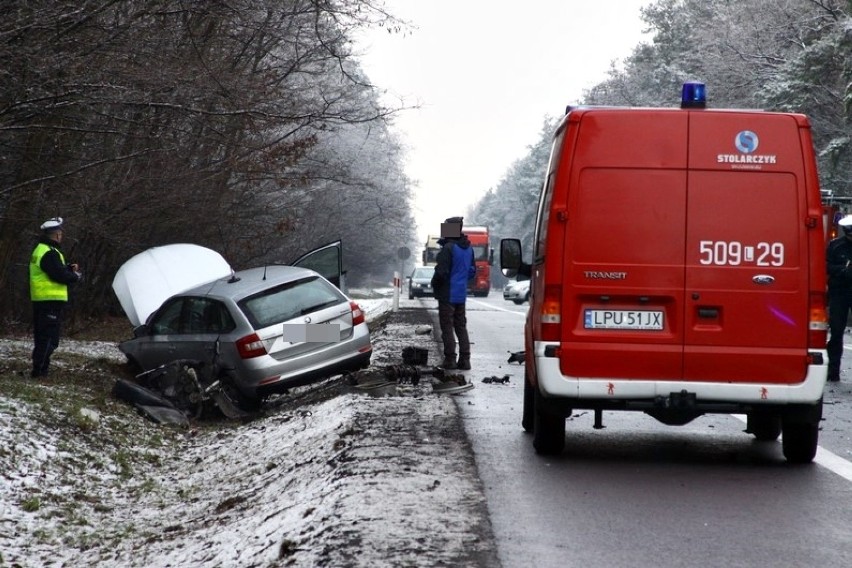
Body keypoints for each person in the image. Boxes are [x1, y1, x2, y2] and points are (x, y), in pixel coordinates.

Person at [29, 217, 82, 378]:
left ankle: (40, 369)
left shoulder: (43, 250)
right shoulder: (49, 252)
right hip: (49, 301)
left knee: (43, 337)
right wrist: (75, 276)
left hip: (42, 300)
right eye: (61, 234)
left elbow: (52, 270)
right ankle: (39, 372)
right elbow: (58, 275)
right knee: (49, 339)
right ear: (57, 235)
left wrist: (67, 268)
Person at [431, 216, 476, 370]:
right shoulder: (469, 249)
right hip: (460, 294)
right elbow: (471, 272)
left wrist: (434, 284)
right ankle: (465, 360)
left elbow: (441, 272)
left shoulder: (448, 248)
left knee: (447, 327)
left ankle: (450, 360)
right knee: (461, 327)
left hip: (447, 294)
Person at [826, 214, 852, 382]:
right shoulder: (836, 246)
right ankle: (833, 371)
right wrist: (843, 270)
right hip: (839, 293)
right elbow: (827, 265)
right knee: (836, 332)